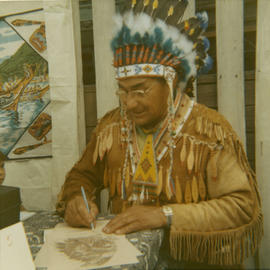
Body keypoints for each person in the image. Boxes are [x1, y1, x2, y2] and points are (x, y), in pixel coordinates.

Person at [56, 0, 263, 269]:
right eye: (124, 91)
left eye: (140, 90)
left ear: (171, 83)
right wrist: (76, 200)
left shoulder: (209, 131)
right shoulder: (112, 127)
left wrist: (164, 215)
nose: (129, 103)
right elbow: (81, 175)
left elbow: (241, 206)